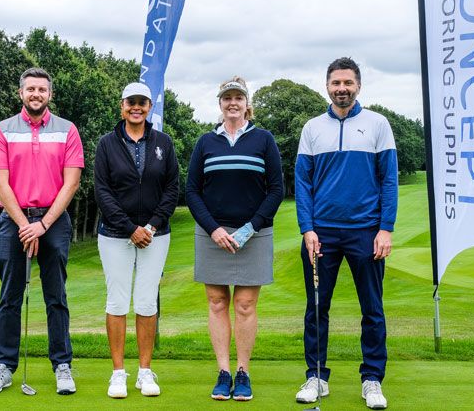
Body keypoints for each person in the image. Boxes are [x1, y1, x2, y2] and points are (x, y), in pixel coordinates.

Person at [294, 57, 398, 409]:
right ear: (327, 86)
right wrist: (307, 229)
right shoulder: (312, 128)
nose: (342, 88)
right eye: (336, 83)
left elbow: (389, 181)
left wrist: (386, 228)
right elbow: (303, 184)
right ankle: (317, 376)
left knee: (372, 308)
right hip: (322, 233)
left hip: (366, 232)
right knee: (316, 308)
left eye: (348, 83)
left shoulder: (378, 124)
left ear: (358, 86)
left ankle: (372, 379)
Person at [0, 67, 84, 395]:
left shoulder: (67, 130)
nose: (36, 94)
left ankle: (62, 365)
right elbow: (0, 181)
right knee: (10, 296)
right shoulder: (3, 130)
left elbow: (71, 183)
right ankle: (4, 367)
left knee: (56, 296)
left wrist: (42, 225)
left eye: (42, 89)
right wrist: (26, 226)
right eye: (30, 89)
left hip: (53, 221)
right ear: (21, 93)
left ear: (49, 94)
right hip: (14, 221)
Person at [185, 76, 284, 402]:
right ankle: (223, 371)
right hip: (212, 233)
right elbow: (192, 191)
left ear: (246, 103)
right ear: (220, 103)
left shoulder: (264, 140)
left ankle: (243, 372)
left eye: (238, 98)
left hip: (252, 234)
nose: (232, 103)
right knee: (216, 302)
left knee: (244, 305)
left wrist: (249, 228)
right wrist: (213, 228)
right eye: (227, 97)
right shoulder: (205, 142)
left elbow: (276, 189)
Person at [93, 82, 180, 399]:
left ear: (149, 107)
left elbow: (172, 189)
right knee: (117, 301)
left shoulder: (163, 142)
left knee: (145, 301)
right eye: (131, 102)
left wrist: (152, 226)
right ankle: (118, 373)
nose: (137, 107)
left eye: (143, 102)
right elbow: (102, 191)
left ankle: (145, 371)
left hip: (156, 235)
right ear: (122, 106)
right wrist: (130, 227)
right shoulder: (106, 144)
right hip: (116, 234)